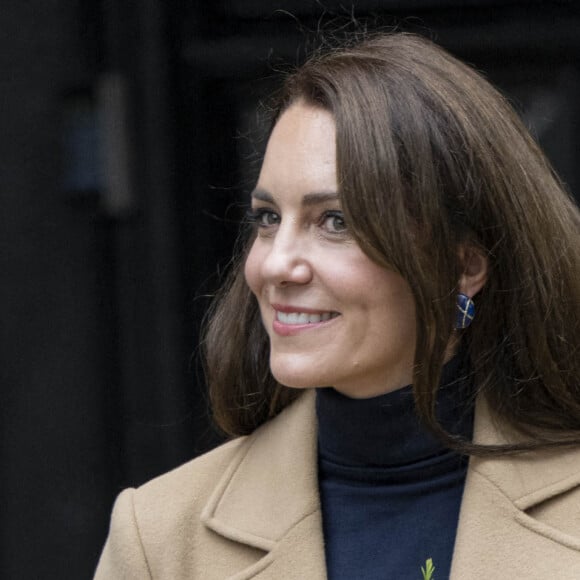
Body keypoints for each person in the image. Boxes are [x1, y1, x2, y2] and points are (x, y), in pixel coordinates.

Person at [95, 32, 580, 579]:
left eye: (335, 221)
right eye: (268, 218)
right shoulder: (160, 536)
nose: (276, 265)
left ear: (464, 265)